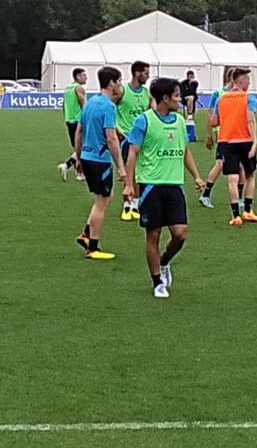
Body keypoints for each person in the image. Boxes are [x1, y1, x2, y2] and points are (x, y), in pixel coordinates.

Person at [124, 77, 204, 298]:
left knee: (180, 234)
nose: (180, 99)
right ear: (165, 98)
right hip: (151, 185)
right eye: (176, 95)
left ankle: (164, 261)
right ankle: (157, 281)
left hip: (175, 185)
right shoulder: (144, 121)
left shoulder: (179, 121)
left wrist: (196, 176)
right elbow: (132, 153)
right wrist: (129, 184)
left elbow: (184, 150)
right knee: (154, 234)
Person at [71, 66, 126, 260]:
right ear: (111, 83)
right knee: (102, 202)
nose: (120, 85)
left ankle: (86, 234)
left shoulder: (90, 103)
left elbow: (79, 132)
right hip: (100, 160)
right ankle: (92, 247)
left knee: (106, 196)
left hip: (87, 157)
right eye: (119, 81)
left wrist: (78, 156)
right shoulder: (109, 106)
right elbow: (111, 138)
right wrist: (120, 167)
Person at [213, 68, 257, 227]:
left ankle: (235, 216)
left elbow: (214, 121)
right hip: (245, 140)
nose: (249, 83)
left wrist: (229, 120)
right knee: (250, 175)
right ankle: (247, 210)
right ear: (240, 81)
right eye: (247, 80)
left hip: (227, 141)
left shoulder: (221, 99)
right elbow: (250, 120)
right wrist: (255, 142)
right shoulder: (248, 98)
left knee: (232, 178)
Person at [116, 60, 152, 221]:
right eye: (146, 73)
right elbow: (110, 110)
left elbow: (151, 113)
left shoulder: (146, 93)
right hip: (126, 139)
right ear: (137, 73)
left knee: (140, 173)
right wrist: (118, 130)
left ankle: (136, 204)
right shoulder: (123, 91)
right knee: (128, 172)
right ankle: (126, 205)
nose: (148, 76)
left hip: (143, 139)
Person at [198, 68, 236, 209]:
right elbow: (210, 114)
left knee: (238, 165)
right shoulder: (219, 94)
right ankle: (205, 194)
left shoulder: (241, 94)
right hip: (224, 134)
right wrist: (209, 135)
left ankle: (239, 197)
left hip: (236, 135)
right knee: (220, 164)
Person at [57, 68, 88, 182]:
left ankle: (78, 173)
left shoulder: (68, 89)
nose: (86, 77)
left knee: (76, 148)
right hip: (78, 121)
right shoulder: (78, 88)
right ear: (78, 77)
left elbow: (64, 106)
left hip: (69, 120)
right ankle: (67, 166)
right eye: (84, 75)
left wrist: (66, 117)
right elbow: (83, 104)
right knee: (83, 148)